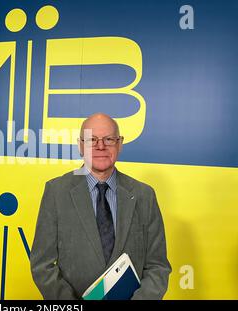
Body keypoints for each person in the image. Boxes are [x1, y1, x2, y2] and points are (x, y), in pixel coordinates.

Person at [30, 113, 172, 300]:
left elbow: (157, 266)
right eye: (92, 140)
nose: (100, 146)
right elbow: (42, 265)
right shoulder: (56, 192)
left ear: (119, 144)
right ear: (80, 145)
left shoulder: (144, 195)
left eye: (108, 139)